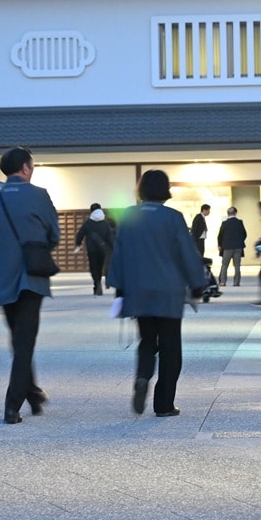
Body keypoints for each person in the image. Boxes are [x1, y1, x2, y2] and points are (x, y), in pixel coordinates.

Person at [107, 169, 204, 418]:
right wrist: (197, 283)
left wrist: (119, 287)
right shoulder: (173, 217)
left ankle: (142, 377)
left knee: (147, 340)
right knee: (171, 345)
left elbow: (119, 253)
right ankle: (164, 404)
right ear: (165, 189)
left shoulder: (129, 216)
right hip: (169, 292)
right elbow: (186, 252)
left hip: (138, 290)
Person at [0, 146, 59, 423]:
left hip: (1, 278)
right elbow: (54, 234)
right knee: (24, 342)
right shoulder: (39, 195)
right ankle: (12, 405)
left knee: (19, 340)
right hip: (30, 276)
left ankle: (33, 393)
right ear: (26, 168)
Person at [74, 203, 115, 296]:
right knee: (100, 267)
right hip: (102, 250)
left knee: (93, 267)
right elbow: (110, 237)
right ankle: (99, 280)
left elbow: (80, 234)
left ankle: (96, 283)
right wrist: (113, 248)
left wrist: (78, 243)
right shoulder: (105, 224)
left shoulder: (88, 223)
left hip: (91, 249)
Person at [216, 206, 248, 287]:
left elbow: (220, 235)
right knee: (237, 265)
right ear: (235, 213)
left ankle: (223, 281)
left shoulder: (225, 223)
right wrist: (240, 241)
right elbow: (244, 234)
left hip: (227, 247)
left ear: (227, 214)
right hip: (238, 247)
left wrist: (220, 245)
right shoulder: (240, 222)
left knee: (225, 265)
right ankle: (236, 282)